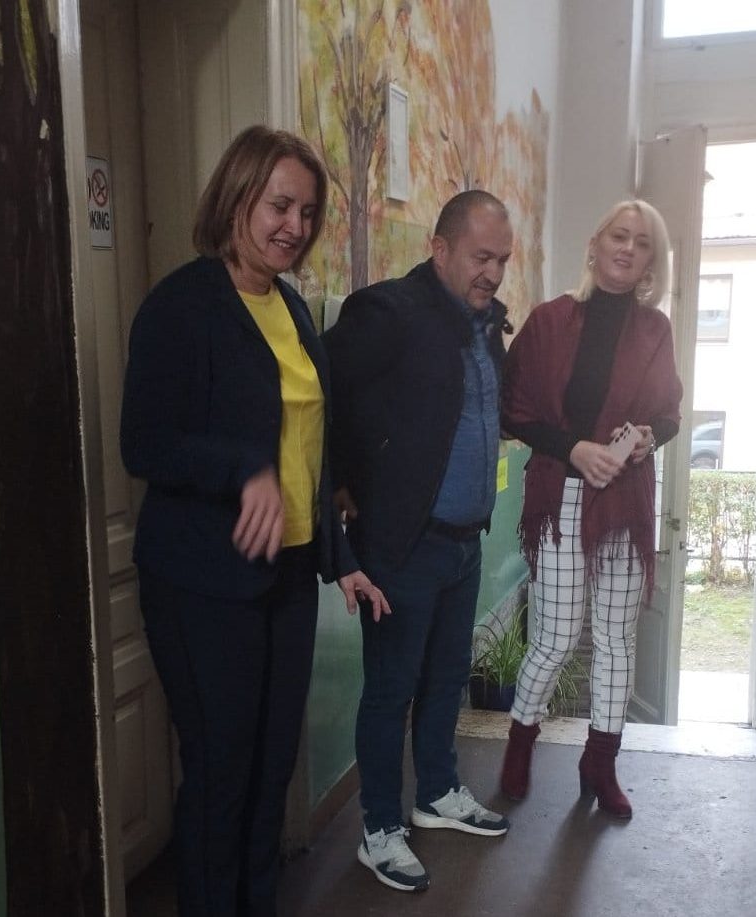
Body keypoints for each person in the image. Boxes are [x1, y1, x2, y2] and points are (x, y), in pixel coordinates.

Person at [120, 125, 390, 917]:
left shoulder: (292, 309)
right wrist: (243, 469)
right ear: (236, 197)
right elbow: (144, 442)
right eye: (279, 205)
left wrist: (341, 555)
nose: (294, 226)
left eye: (306, 212)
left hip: (288, 576)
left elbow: (310, 451)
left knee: (272, 769)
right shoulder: (182, 305)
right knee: (221, 771)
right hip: (203, 581)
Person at [323, 190, 515, 893]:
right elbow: (322, 389)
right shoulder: (390, 312)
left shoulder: (484, 323)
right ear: (439, 249)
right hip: (403, 543)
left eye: (502, 260)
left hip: (463, 542)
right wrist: (340, 479)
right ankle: (379, 828)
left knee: (445, 677)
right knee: (391, 689)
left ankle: (436, 793)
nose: (492, 272)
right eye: (481, 256)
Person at [497, 199, 682, 819]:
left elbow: (669, 413)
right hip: (561, 494)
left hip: (624, 502)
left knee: (615, 640)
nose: (628, 249)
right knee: (553, 637)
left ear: (651, 262)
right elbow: (514, 409)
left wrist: (647, 438)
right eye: (619, 236)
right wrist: (574, 449)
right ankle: (520, 743)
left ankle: (600, 763)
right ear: (595, 244)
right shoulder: (551, 321)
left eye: (642, 243)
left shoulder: (656, 331)